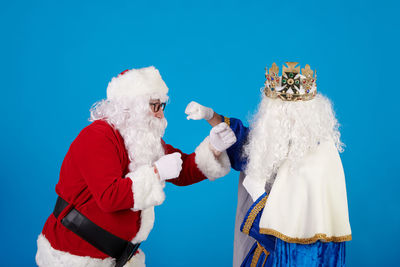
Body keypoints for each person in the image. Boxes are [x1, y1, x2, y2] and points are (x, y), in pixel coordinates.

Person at [36, 66, 236, 267]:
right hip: (72, 255)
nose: (160, 114)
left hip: (120, 257)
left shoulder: (145, 142)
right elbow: (109, 197)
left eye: (162, 106)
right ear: (131, 106)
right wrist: (157, 172)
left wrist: (214, 148)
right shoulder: (97, 137)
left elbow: (183, 171)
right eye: (154, 106)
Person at [185, 62, 352, 266]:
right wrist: (212, 117)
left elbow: (298, 246)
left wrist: (259, 197)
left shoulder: (319, 158)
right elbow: (250, 147)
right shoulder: (280, 141)